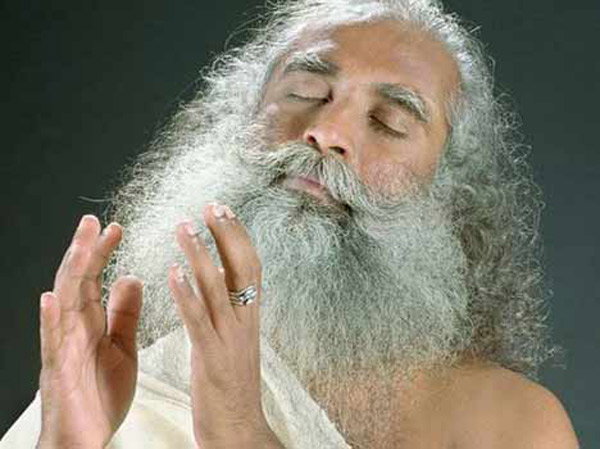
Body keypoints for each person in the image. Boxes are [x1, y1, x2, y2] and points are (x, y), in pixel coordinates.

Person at [1, 0, 580, 448]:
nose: (326, 133)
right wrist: (67, 441)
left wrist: (242, 429)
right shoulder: (129, 378)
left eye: (388, 121)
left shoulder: (508, 424)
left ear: (449, 193)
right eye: (304, 91)